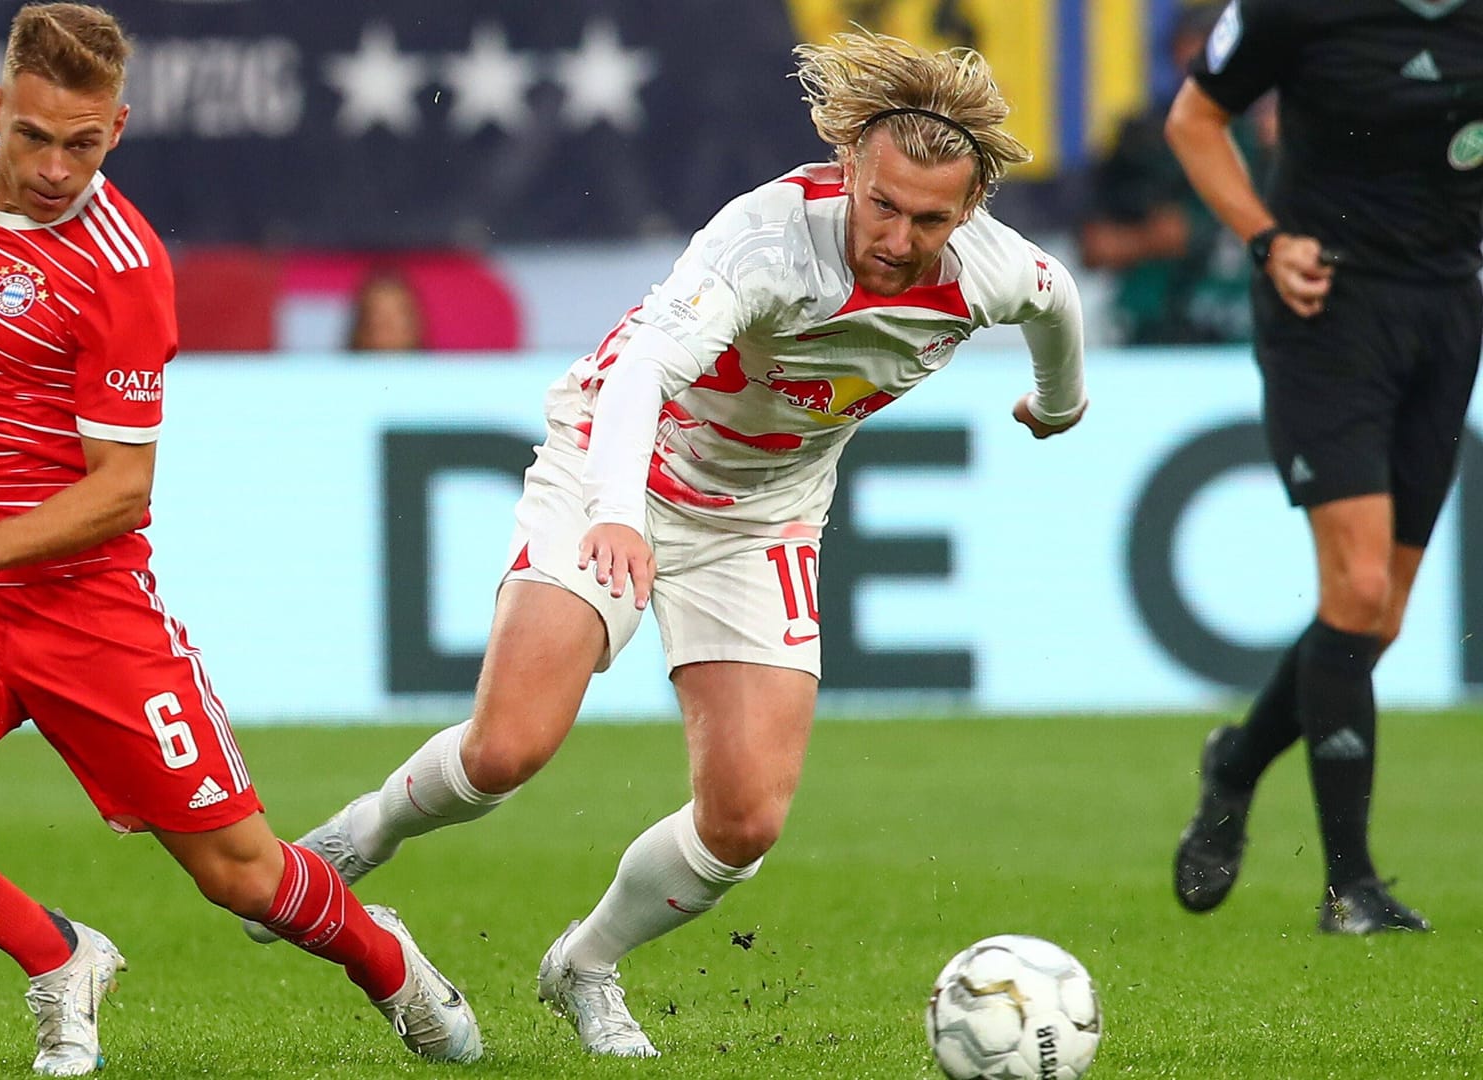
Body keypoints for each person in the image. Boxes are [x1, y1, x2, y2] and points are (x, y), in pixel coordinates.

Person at [245, 30, 1086, 1057]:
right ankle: (360, 836)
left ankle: (584, 966)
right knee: (507, 750)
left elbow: (1056, 304)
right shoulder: (764, 244)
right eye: (884, 205)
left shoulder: (996, 271)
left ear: (969, 211)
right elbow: (642, 373)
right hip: (619, 466)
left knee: (744, 824)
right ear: (850, 167)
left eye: (931, 219)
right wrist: (613, 511)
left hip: (765, 513)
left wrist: (1058, 403)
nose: (901, 237)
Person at [0, 5, 479, 1074]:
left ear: (116, 128)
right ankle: (59, 955)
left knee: (243, 877)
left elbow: (123, 491)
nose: (56, 166)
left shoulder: (125, 269)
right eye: (34, 136)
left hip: (87, 613)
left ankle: (383, 959)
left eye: (83, 142)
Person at [1166, 0, 1483, 935]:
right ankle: (1351, 887)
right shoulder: (1295, 7)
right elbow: (1195, 120)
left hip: (1447, 311)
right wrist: (1267, 242)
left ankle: (1235, 763)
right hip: (1327, 308)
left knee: (1375, 620)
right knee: (1356, 585)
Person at [1078, 4, 1272, 345]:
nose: (1197, 56)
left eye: (1211, 44)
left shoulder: (1261, 138)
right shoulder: (1139, 137)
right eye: (1190, 44)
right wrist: (1147, 239)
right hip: (1150, 322)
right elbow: (1095, 244)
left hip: (1237, 319)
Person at [345, 266, 425, 352]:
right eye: (378, 314)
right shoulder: (338, 364)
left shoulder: (434, 363)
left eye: (396, 314)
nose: (388, 323)